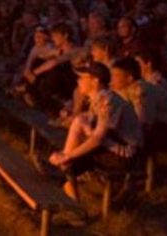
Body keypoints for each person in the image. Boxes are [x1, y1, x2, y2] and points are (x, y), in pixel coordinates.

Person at [48, 63, 143, 202]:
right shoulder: (98, 98)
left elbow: (97, 138)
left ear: (95, 80)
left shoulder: (108, 100)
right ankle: (73, 203)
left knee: (68, 163)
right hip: (112, 147)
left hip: (125, 154)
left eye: (82, 78)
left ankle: (73, 204)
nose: (78, 81)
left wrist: (67, 156)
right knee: (78, 126)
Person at [24, 24, 86, 114]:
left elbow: (55, 62)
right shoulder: (58, 49)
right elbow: (40, 54)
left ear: (65, 36)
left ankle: (59, 102)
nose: (53, 38)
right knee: (39, 61)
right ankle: (32, 93)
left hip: (71, 83)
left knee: (53, 69)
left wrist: (34, 73)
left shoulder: (75, 50)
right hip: (58, 82)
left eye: (55, 36)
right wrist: (28, 69)